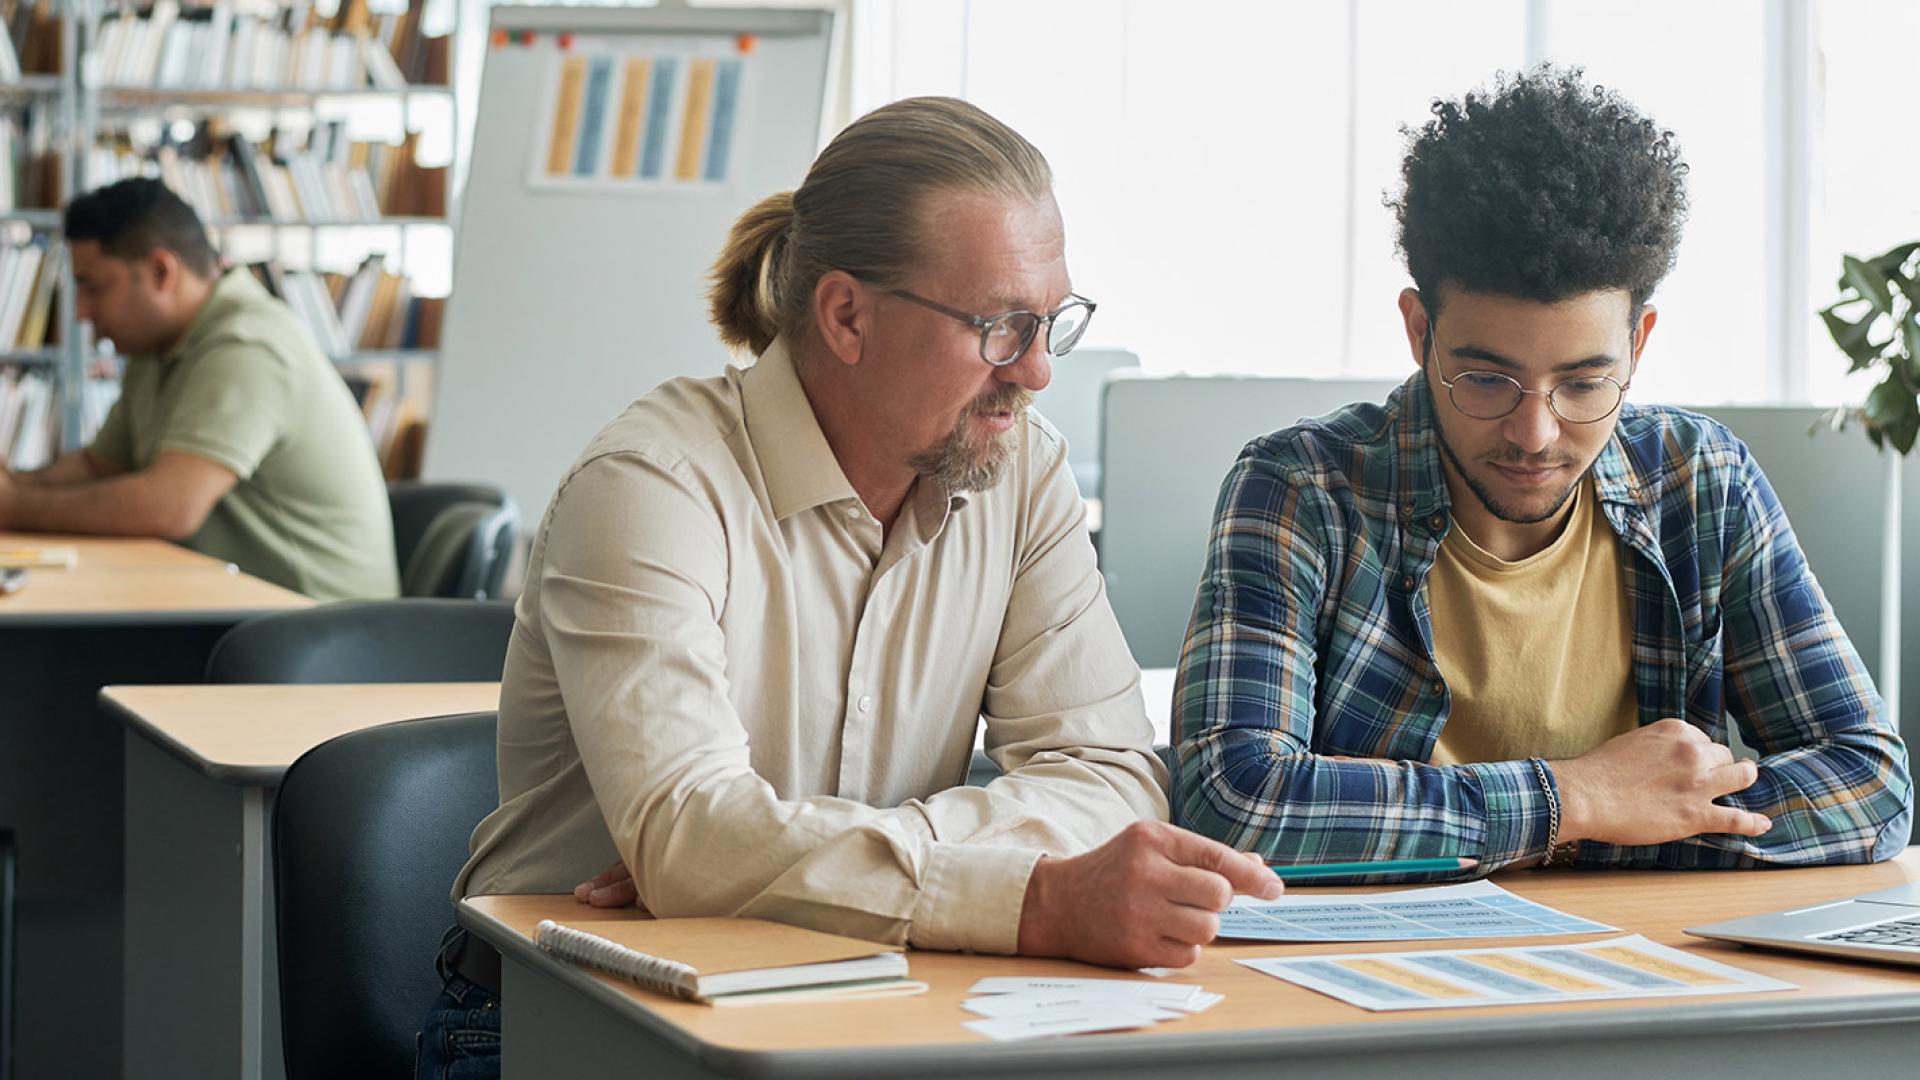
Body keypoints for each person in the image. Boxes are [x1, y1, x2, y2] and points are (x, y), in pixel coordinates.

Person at [417, 97, 1281, 1078]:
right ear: (845, 315)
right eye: (1000, 326)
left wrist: (788, 863)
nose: (1037, 371)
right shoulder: (652, 485)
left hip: (866, 1000)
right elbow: (695, 838)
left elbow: (1116, 775)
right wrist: (1029, 896)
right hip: (561, 1025)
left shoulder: (1021, 471)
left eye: (1054, 322)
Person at [1174, 66, 1911, 876]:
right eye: (1486, 379)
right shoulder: (1302, 488)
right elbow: (1231, 800)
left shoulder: (1702, 483)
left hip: (1650, 968)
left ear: (1640, 343)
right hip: (1382, 967)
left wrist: (1592, 823)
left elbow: (1871, 784)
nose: (1535, 433)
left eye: (1585, 385)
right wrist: (1579, 799)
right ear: (1419, 330)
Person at [0, 178, 398, 602]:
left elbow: (168, 508)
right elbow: (102, 467)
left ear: (161, 272)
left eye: (93, 287)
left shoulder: (248, 345)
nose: (81, 311)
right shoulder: (156, 347)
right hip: (242, 612)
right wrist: (15, 483)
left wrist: (13, 505)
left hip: (321, 631)